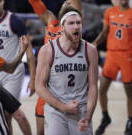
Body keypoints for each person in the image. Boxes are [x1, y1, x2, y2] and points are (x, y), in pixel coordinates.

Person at [35, 6, 98, 135]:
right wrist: (63, 107)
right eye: (71, 23)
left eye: (78, 23)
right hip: (56, 111)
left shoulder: (90, 50)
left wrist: (89, 116)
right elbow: (39, 86)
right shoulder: (48, 50)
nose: (76, 27)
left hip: (80, 110)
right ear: (62, 27)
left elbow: (93, 87)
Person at [0, 0, 35, 135]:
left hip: (12, 72)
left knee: (9, 113)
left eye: (0, 1)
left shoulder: (14, 20)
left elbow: (29, 51)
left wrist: (33, 78)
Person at [28, 0, 81, 134]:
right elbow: (37, 5)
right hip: (46, 82)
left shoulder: (74, 29)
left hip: (63, 83)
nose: (66, 3)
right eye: (65, 2)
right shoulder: (51, 20)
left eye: (70, 3)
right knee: (40, 129)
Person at [93, 0, 132, 135]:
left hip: (128, 55)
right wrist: (95, 43)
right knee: (102, 89)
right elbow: (105, 33)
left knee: (129, 91)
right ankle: (105, 117)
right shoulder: (109, 12)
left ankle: (130, 121)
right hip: (112, 54)